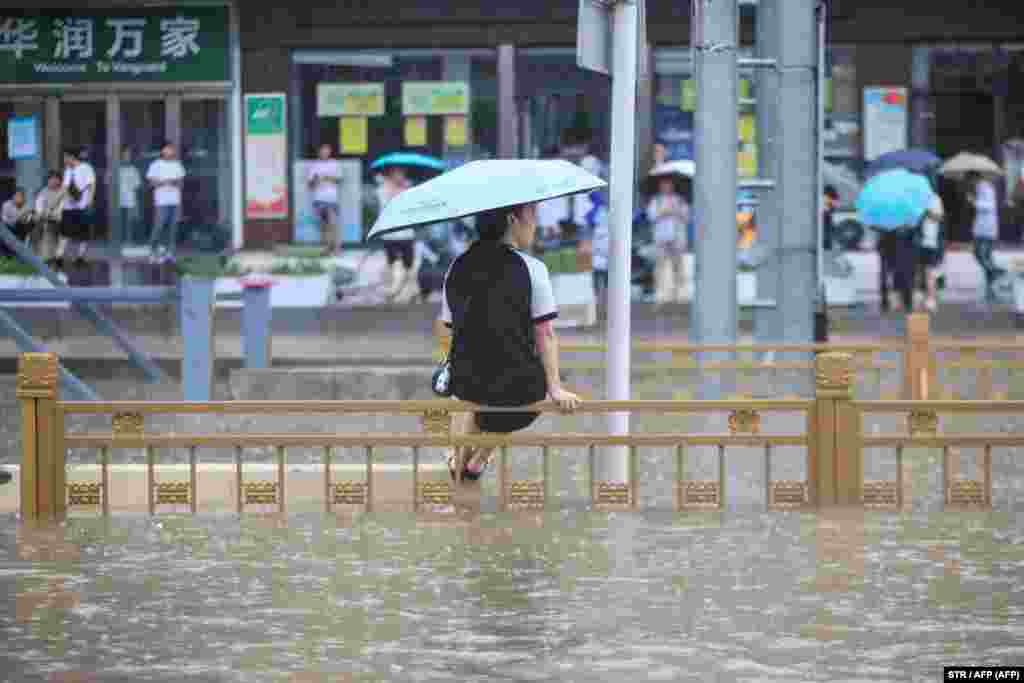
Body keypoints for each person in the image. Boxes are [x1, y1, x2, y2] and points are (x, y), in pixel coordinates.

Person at [440, 201, 581, 483]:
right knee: (527, 393)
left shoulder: (457, 266)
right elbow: (545, 334)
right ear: (512, 220)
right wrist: (555, 388)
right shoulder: (532, 268)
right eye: (532, 216)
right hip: (517, 384)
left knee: (464, 394)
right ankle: (478, 459)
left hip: (467, 378)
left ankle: (458, 456)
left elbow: (452, 325)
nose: (535, 224)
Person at [647, 176, 690, 305]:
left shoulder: (679, 200)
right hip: (661, 237)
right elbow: (651, 216)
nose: (666, 187)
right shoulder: (656, 200)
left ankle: (680, 293)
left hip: (677, 237)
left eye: (668, 185)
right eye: (664, 185)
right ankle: (661, 293)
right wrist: (663, 211)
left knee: (678, 266)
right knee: (660, 266)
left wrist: (676, 211)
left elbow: (687, 216)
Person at [375, 166, 415, 299]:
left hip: (407, 233)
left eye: (402, 173)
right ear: (391, 175)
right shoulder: (382, 189)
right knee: (391, 262)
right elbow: (385, 207)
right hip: (390, 234)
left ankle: (410, 290)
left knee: (409, 264)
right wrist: (390, 190)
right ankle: (391, 289)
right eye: (397, 173)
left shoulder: (409, 189)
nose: (400, 176)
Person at [965, 170, 1004, 302]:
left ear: (975, 178)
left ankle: (996, 271)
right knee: (984, 256)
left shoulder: (986, 188)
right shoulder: (980, 188)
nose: (968, 183)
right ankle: (991, 286)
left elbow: (989, 206)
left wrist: (973, 201)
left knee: (980, 254)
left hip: (987, 229)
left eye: (969, 180)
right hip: (982, 228)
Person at [145, 141, 186, 262]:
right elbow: (151, 182)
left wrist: (169, 182)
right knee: (159, 225)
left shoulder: (177, 165)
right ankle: (152, 250)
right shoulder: (155, 165)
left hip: (174, 200)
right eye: (167, 149)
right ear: (162, 151)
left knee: (173, 227)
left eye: (171, 149)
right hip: (161, 200)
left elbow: (181, 183)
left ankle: (170, 252)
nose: (170, 151)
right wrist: (165, 182)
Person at [60, 147, 96, 264]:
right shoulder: (67, 171)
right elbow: (65, 187)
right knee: (65, 233)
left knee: (83, 234)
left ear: (71, 157)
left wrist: (89, 201)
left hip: (82, 206)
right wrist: (68, 198)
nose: (64, 160)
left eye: (66, 157)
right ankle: (59, 257)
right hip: (68, 207)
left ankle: (80, 257)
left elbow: (91, 185)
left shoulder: (86, 168)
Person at [307, 142, 341, 256]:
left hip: (331, 199)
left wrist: (327, 177)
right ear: (319, 152)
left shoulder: (334, 164)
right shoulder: (314, 166)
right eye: (322, 150)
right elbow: (310, 184)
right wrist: (315, 180)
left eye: (327, 150)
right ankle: (325, 248)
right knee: (323, 226)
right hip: (319, 199)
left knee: (333, 224)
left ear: (330, 151)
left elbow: (339, 179)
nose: (325, 152)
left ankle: (336, 249)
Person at [918, 186, 945, 313]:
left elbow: (938, 217)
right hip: (918, 240)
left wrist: (925, 211)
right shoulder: (913, 199)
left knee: (930, 271)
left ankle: (931, 299)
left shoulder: (934, 199)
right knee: (920, 270)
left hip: (931, 241)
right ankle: (923, 298)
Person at [31, 172, 65, 266]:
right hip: (47, 220)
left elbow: (63, 208)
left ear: (59, 181)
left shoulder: (64, 192)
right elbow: (39, 208)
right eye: (51, 179)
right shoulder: (43, 192)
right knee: (46, 234)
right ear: (48, 180)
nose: (53, 181)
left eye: (55, 179)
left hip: (61, 220)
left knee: (62, 235)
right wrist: (43, 214)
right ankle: (47, 258)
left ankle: (58, 257)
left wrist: (52, 214)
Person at [118, 146, 143, 246]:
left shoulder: (134, 170)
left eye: (128, 155)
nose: (127, 156)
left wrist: (136, 204)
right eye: (125, 154)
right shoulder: (115, 168)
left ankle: (129, 241)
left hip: (130, 200)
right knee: (118, 221)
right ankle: (118, 241)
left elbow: (137, 187)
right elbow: (108, 183)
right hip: (117, 200)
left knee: (129, 223)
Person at [1, 188, 34, 257]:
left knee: (29, 225)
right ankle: (6, 253)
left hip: (21, 228)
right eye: (17, 195)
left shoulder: (26, 206)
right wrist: (19, 217)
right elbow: (5, 220)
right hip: (8, 227)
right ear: (13, 196)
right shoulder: (6, 205)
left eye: (22, 196)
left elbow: (27, 220)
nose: (20, 198)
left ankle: (22, 251)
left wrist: (25, 217)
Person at [823, 184, 840, 252]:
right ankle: (827, 244)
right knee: (828, 229)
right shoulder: (828, 194)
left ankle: (827, 244)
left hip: (827, 214)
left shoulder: (829, 193)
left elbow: (834, 204)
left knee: (828, 229)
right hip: (827, 214)